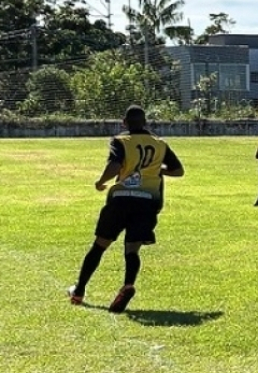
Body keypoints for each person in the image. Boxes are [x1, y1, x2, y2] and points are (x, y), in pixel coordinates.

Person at [67, 105, 184, 313]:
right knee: (132, 249)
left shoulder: (121, 141)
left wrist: (101, 181)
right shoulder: (160, 144)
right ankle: (127, 284)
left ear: (124, 122)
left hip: (121, 200)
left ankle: (79, 291)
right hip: (147, 201)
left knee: (100, 245)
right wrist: (156, 170)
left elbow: (114, 166)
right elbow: (178, 171)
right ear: (146, 122)